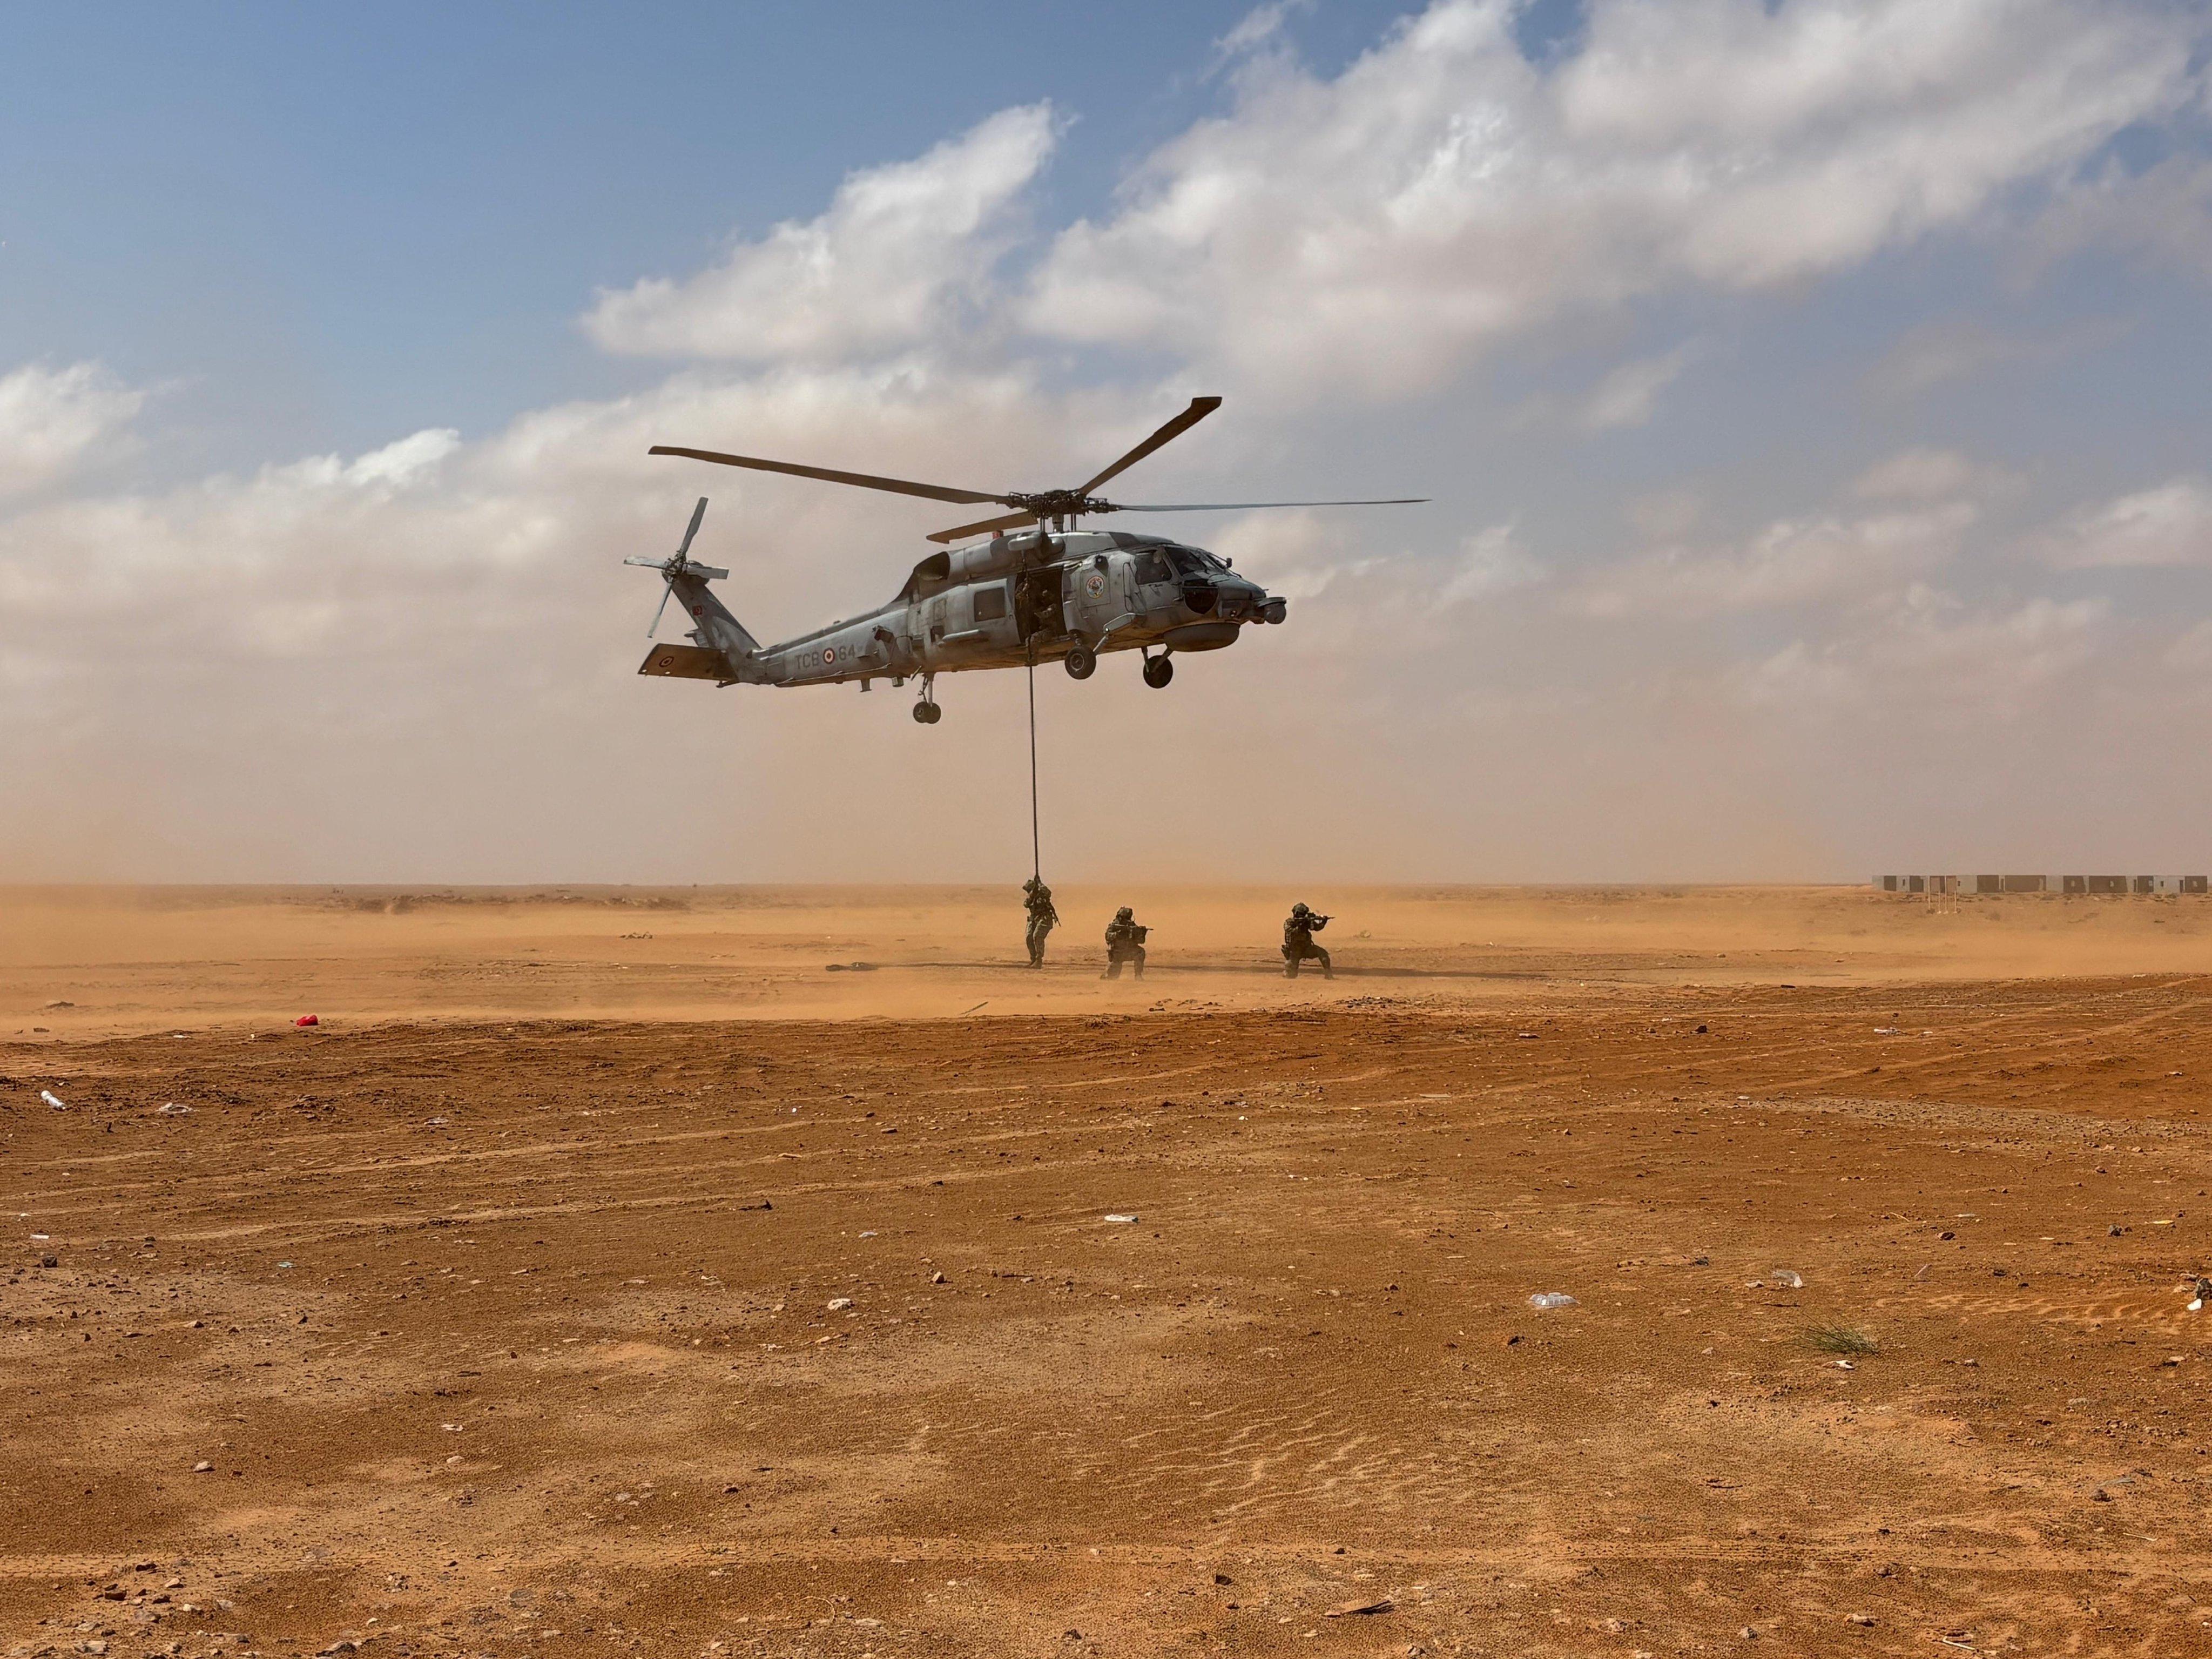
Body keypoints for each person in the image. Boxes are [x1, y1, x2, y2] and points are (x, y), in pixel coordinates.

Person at [1282, 901, 1332, 979]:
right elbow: (1291, 931)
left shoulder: (1307, 922)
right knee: (1291, 975)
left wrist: (1323, 922)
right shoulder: (1289, 922)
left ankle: (1328, 974)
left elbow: (1316, 928)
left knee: (1323, 953)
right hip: (1294, 951)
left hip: (1307, 948)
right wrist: (1300, 926)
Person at [1022, 876, 1058, 968]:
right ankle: (1033, 959)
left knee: (1037, 936)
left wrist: (1039, 883)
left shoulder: (1043, 895)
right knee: (1029, 937)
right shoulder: (1030, 898)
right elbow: (1026, 904)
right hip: (1034, 919)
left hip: (1045, 919)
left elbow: (1048, 893)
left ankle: (1039, 960)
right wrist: (1032, 894)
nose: (1028, 892)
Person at [1103, 906, 1148, 979]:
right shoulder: (1114, 926)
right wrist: (1118, 934)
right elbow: (1108, 937)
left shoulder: (1132, 926)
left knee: (1141, 952)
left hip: (1130, 952)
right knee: (1111, 978)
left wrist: (1142, 933)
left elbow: (1141, 941)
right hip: (1117, 953)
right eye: (1126, 918)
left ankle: (1138, 975)